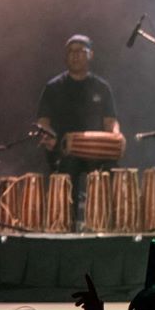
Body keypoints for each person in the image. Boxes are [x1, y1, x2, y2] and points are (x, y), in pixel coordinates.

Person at [35, 34, 121, 225]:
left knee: (111, 169)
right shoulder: (54, 87)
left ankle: (105, 225)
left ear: (90, 55)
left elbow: (111, 122)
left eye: (80, 51)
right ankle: (66, 226)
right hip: (64, 151)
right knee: (68, 168)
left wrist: (116, 136)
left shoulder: (101, 87)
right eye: (70, 51)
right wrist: (49, 136)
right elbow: (43, 121)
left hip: (95, 152)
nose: (75, 55)